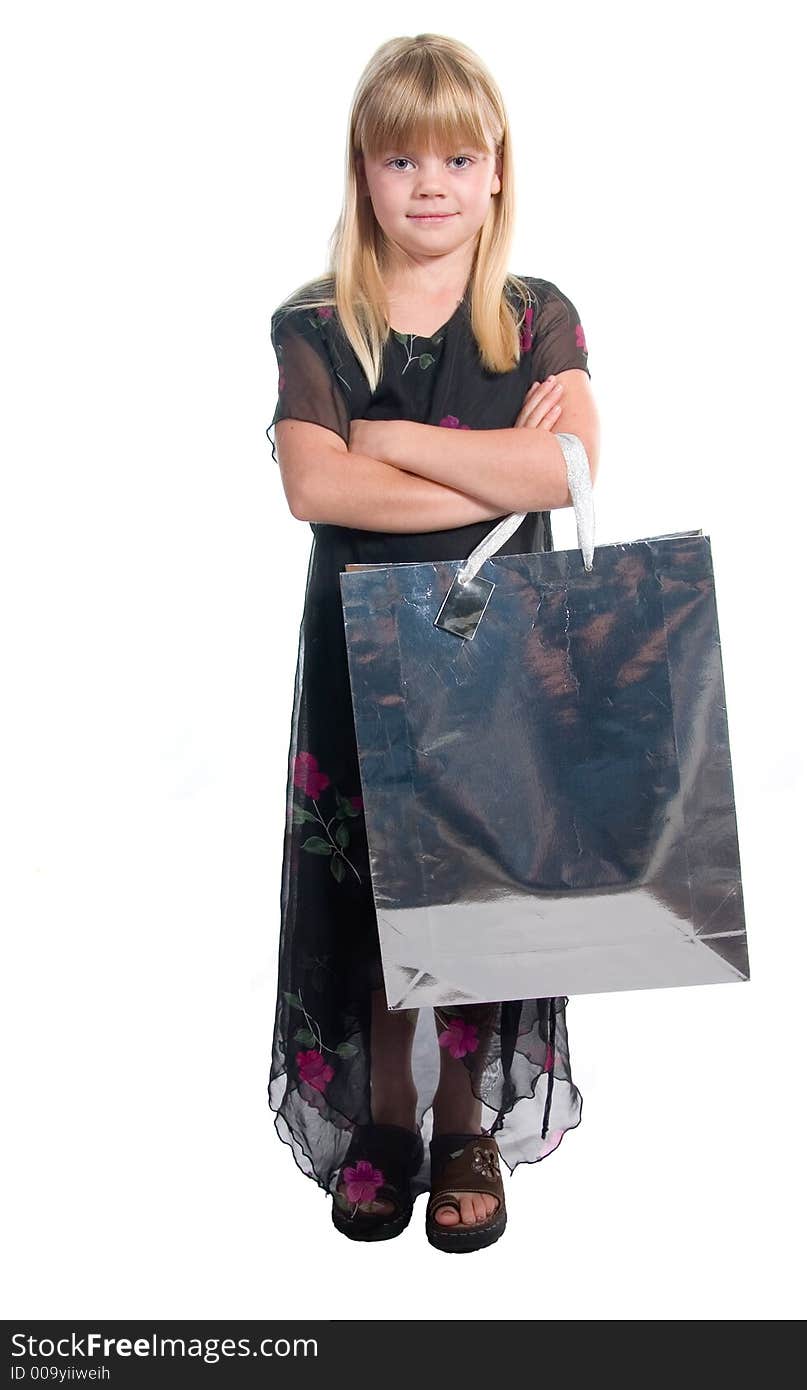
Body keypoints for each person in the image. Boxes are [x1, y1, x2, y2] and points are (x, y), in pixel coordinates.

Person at [265, 32, 600, 1253]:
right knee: (368, 890)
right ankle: (387, 1112)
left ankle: (465, 1118)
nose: (431, 183)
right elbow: (314, 490)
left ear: (497, 170)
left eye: (458, 156)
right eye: (402, 158)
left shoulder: (532, 317)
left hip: (499, 658)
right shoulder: (316, 324)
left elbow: (566, 466)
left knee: (475, 890)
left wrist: (391, 446)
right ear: (364, 172)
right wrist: (487, 470)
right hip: (362, 654)